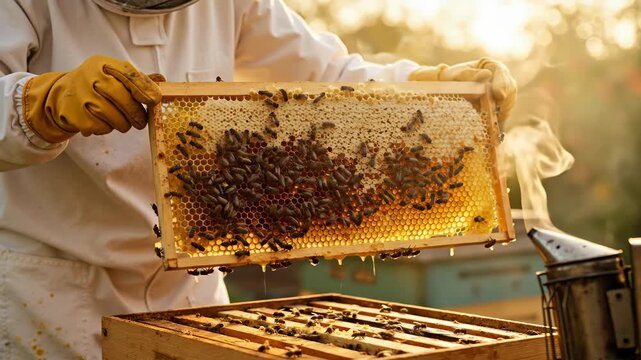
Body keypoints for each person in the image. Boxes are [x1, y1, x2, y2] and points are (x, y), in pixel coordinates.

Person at [0, 0, 517, 358]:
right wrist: (37, 104)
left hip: (192, 293)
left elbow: (326, 79)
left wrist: (429, 88)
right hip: (50, 298)